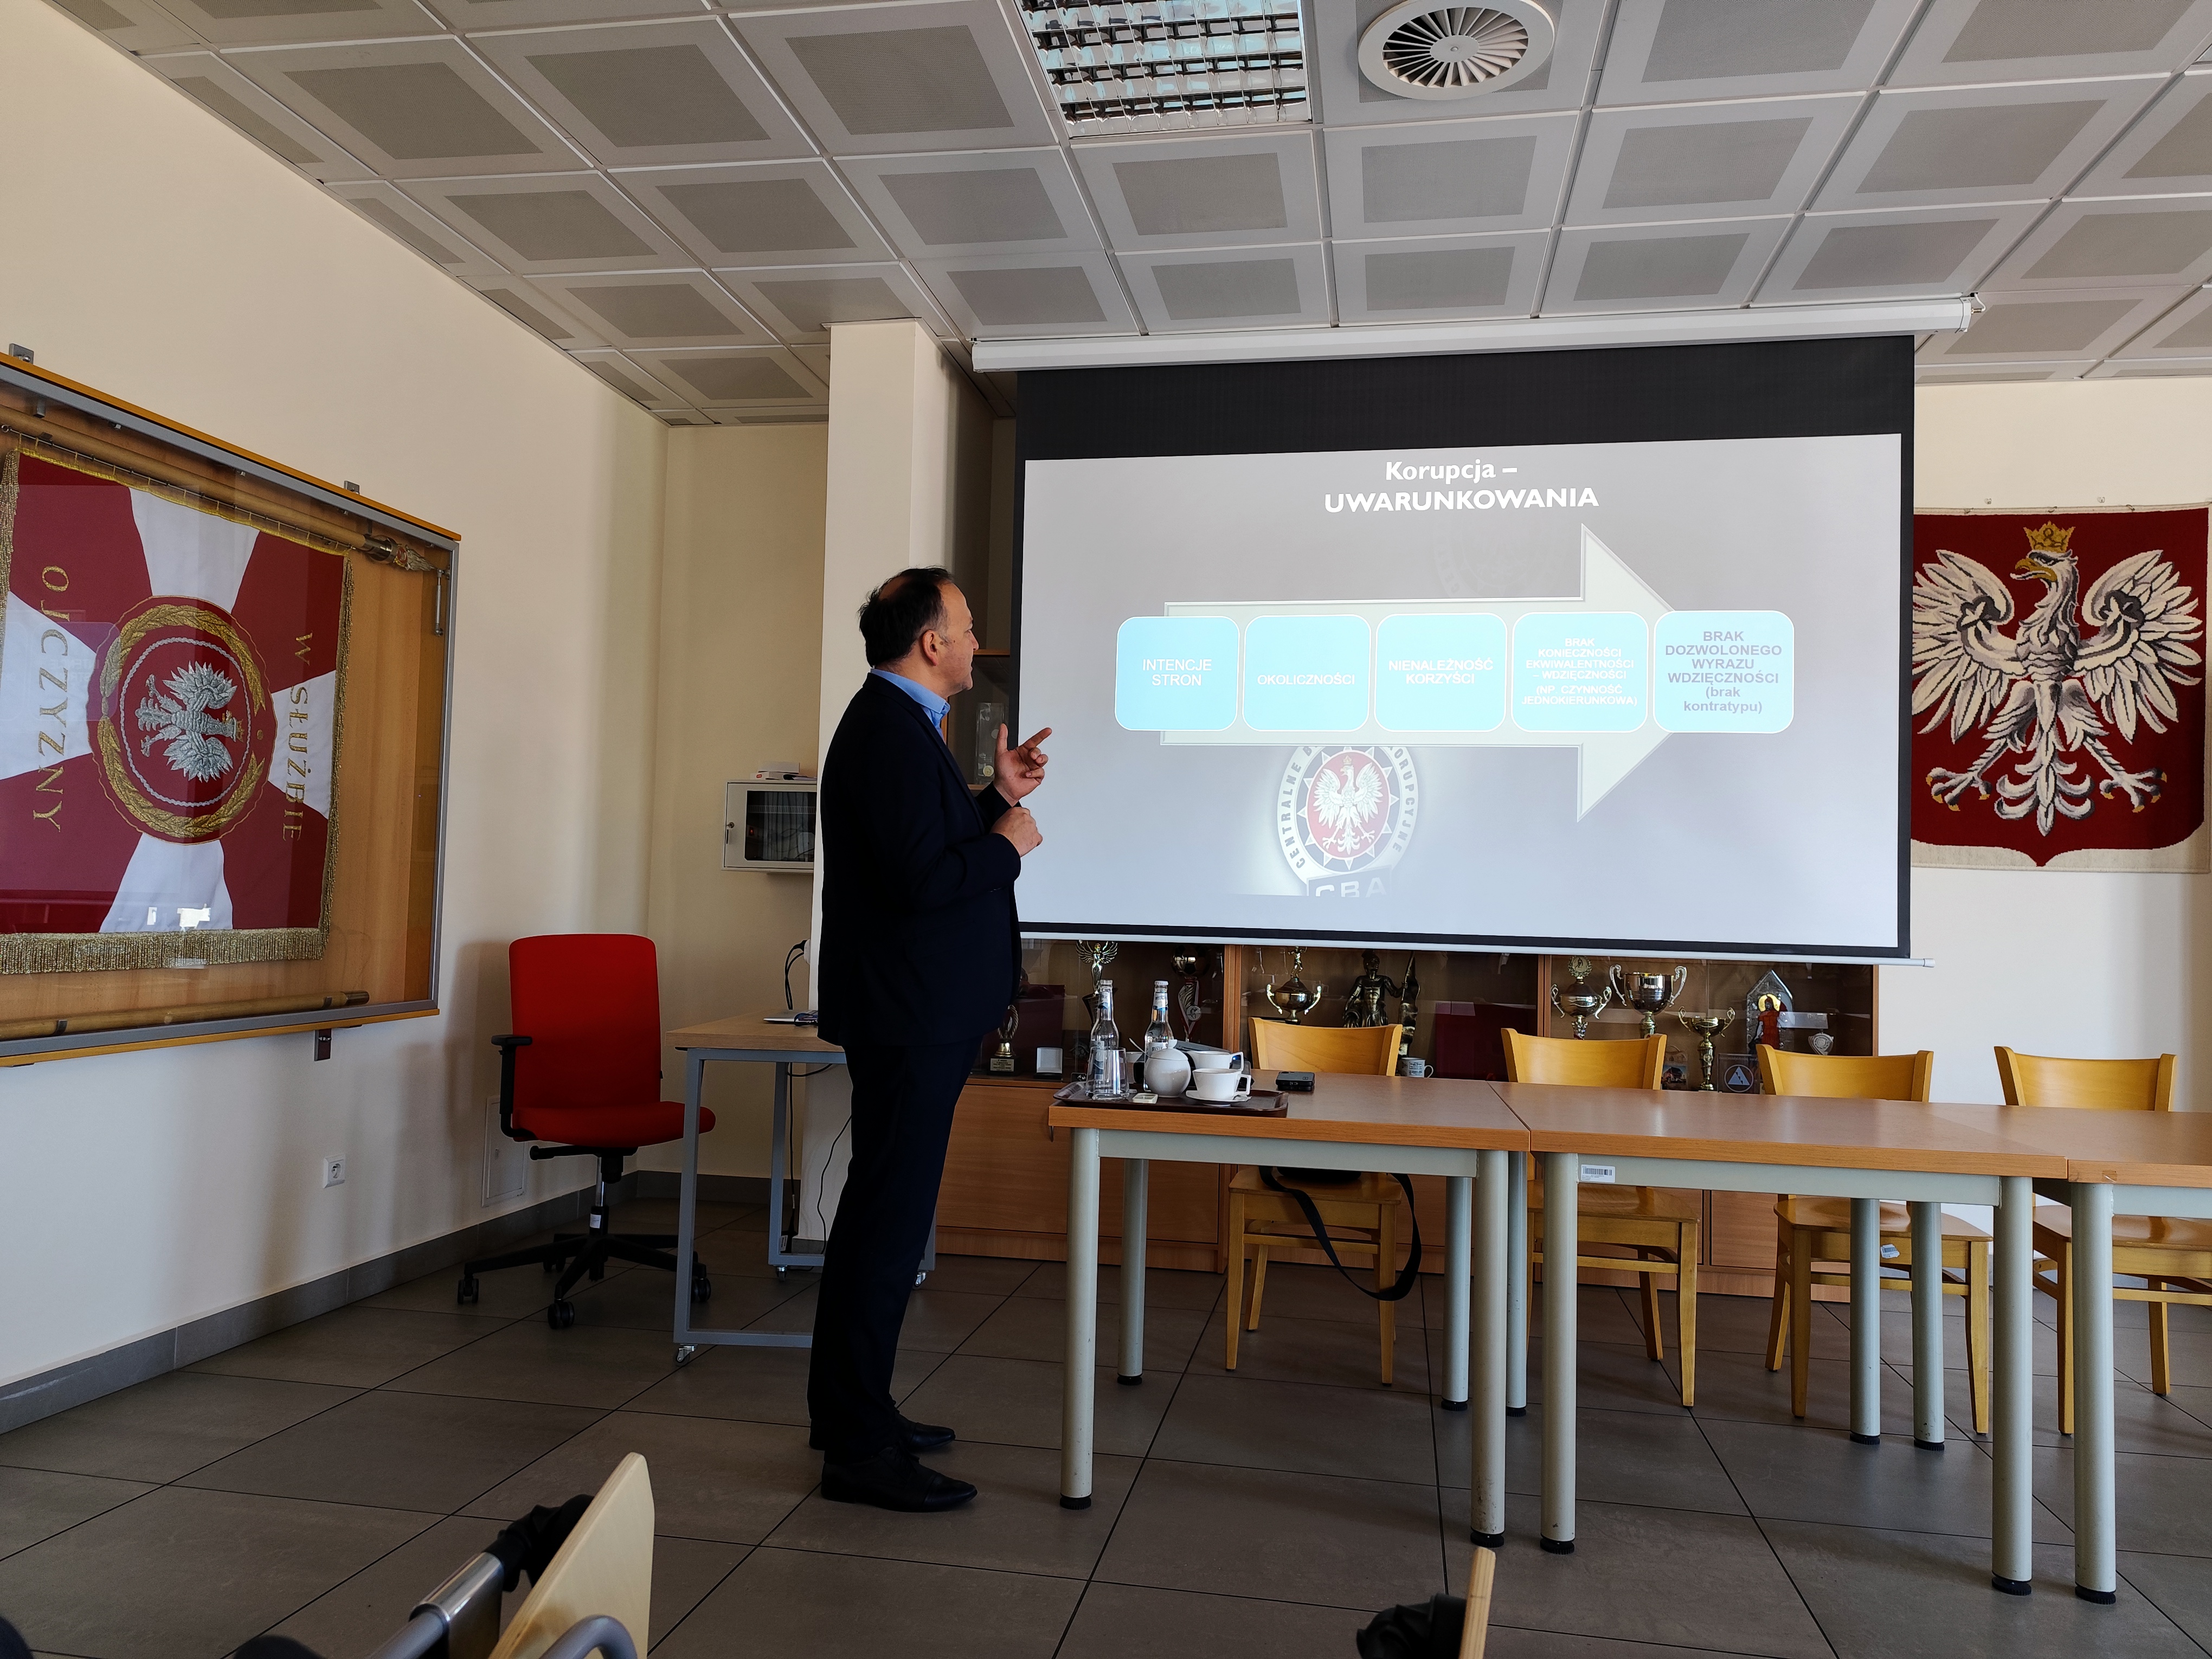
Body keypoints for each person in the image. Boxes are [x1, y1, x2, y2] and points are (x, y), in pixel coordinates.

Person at [809, 566, 1049, 1512]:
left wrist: (991, 798)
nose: (978, 638)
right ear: (931, 643)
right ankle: (857, 1447)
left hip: (917, 1015)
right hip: (910, 1019)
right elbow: (924, 884)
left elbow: (920, 853)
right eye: (967, 623)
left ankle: (859, 1414)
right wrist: (1007, 846)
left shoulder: (903, 725)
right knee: (885, 1228)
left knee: (885, 1222)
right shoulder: (886, 731)